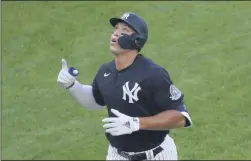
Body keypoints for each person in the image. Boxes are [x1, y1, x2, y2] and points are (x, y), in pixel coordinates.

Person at [57, 12, 192, 160]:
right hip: (117, 155)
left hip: (156, 155)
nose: (115, 34)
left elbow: (180, 118)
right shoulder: (105, 71)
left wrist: (135, 123)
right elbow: (96, 101)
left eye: (124, 31)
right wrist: (72, 85)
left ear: (136, 40)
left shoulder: (153, 75)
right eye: (116, 29)